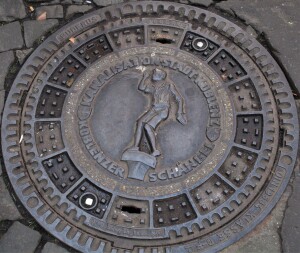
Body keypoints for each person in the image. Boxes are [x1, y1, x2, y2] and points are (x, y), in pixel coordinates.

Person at [131, 68, 187, 157]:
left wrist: (179, 112)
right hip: (154, 109)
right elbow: (141, 87)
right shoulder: (153, 87)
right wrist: (144, 77)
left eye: (155, 73)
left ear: (160, 76)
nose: (152, 74)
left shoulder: (168, 86)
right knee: (140, 122)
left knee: (147, 126)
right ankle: (135, 147)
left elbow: (179, 99)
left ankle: (155, 150)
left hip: (163, 110)